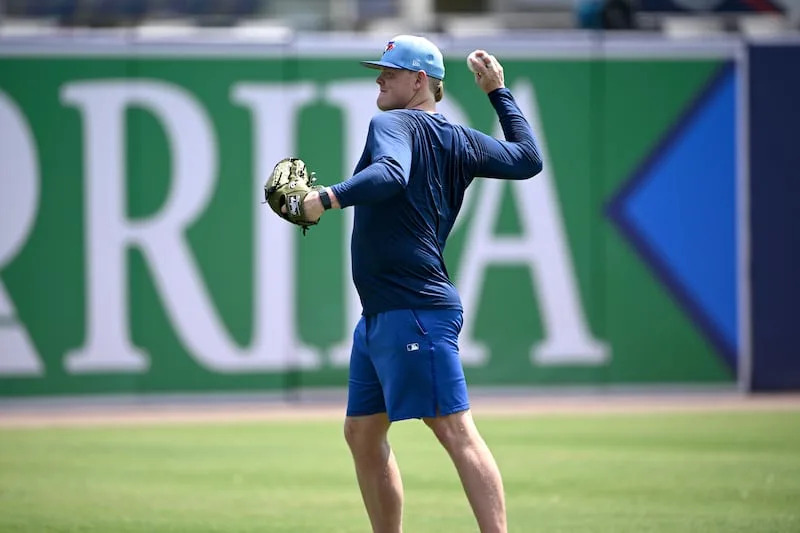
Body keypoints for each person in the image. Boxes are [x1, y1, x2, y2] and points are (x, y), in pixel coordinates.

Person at [299, 34, 543, 533]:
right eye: (380, 70)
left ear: (420, 81)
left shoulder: (392, 122)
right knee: (362, 433)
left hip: (414, 307)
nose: (379, 79)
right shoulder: (461, 138)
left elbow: (390, 175)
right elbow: (526, 157)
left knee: (455, 430)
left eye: (389, 71)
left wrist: (325, 197)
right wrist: (498, 92)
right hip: (385, 312)